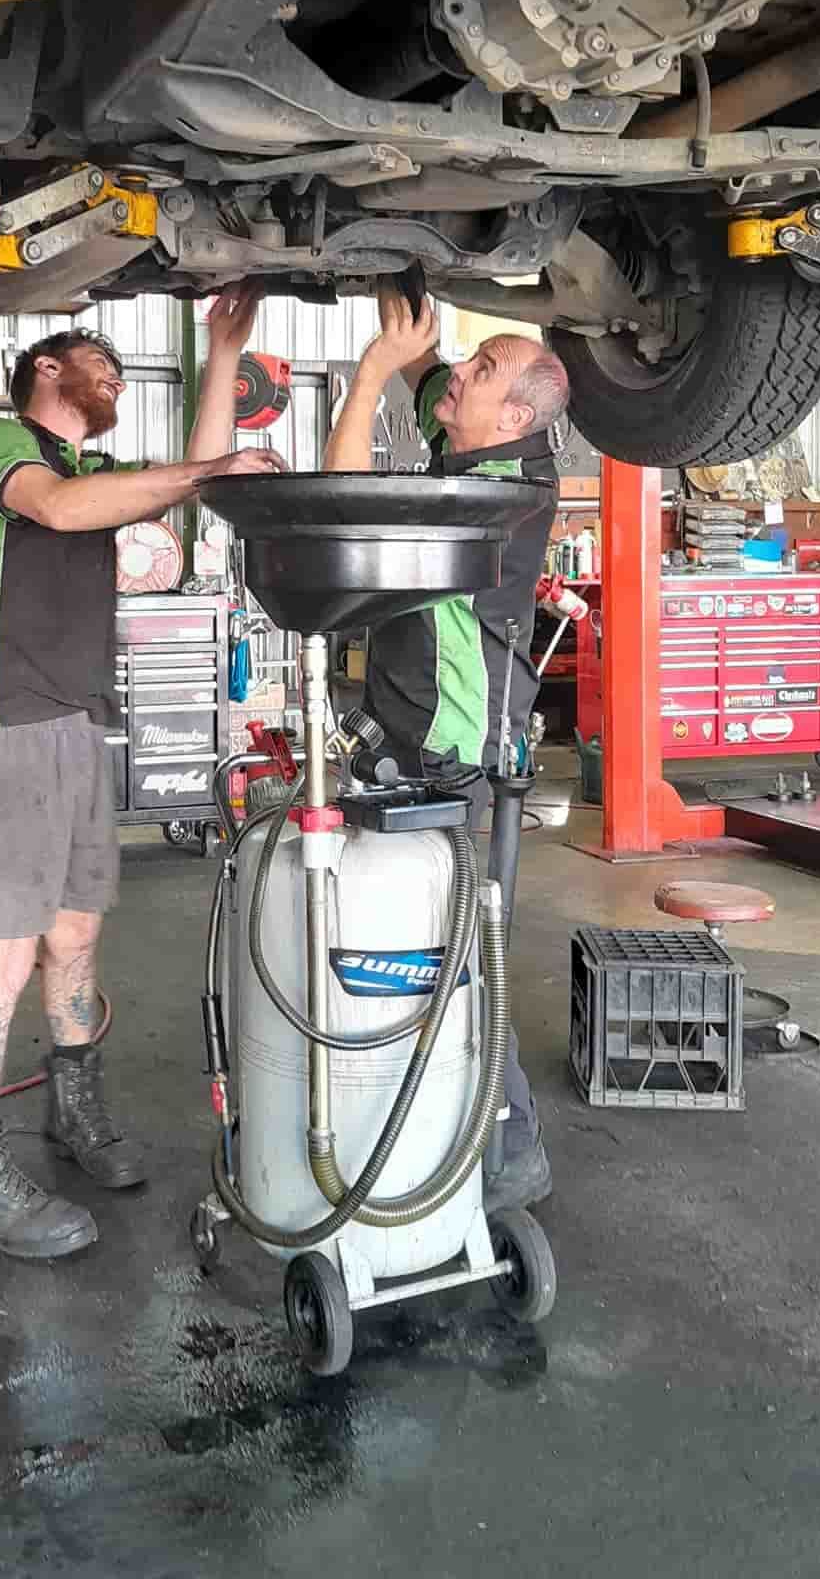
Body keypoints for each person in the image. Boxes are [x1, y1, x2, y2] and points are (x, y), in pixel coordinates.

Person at [0, 284, 283, 1260]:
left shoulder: (95, 468)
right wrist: (203, 467)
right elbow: (59, 509)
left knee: (76, 936)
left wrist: (223, 353)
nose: (119, 379)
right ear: (46, 368)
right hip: (8, 725)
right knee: (5, 955)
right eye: (102, 363)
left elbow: (186, 482)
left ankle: (72, 1111)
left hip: (77, 723)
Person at [324, 282, 569, 1210]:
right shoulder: (476, 435)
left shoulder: (489, 495)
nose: (458, 374)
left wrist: (370, 373)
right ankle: (427, 1127)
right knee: (421, 948)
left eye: (482, 368)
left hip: (452, 759)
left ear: (511, 417)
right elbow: (434, 375)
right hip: (419, 741)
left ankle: (511, 1148)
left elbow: (346, 509)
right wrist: (404, 288)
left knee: (458, 958)